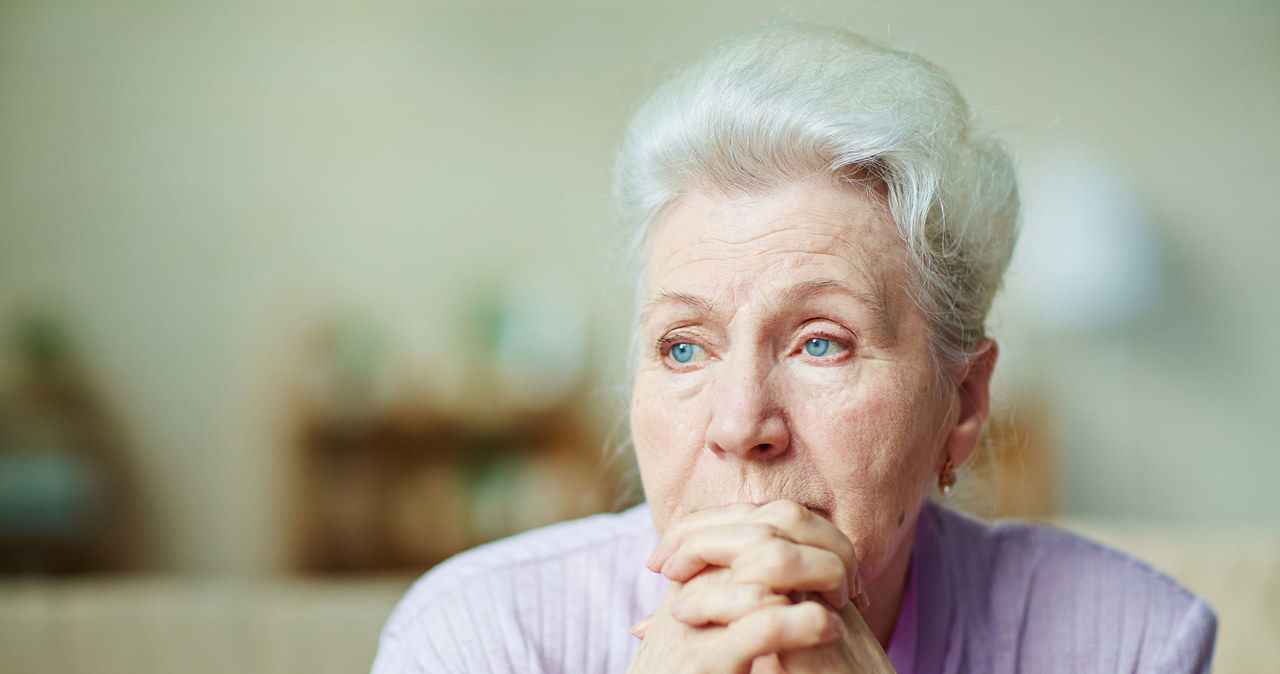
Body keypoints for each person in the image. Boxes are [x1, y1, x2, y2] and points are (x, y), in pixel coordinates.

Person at [371, 24, 1217, 673]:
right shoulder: (478, 636)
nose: (741, 425)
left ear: (960, 406)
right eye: (682, 349)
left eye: (822, 344)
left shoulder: (1127, 640)